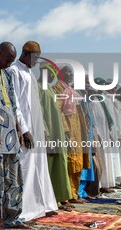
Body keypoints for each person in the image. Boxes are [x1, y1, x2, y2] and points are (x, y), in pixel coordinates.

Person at [0, 42, 30, 229]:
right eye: (8, 60)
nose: (10, 64)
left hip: (11, 137)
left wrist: (18, 129)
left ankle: (12, 218)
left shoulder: (7, 75)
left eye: (12, 61)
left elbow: (14, 104)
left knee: (14, 179)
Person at [7, 41, 57, 221]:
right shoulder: (14, 71)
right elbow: (16, 104)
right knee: (26, 167)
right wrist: (25, 129)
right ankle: (26, 210)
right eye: (35, 57)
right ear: (25, 53)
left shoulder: (28, 72)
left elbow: (36, 107)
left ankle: (44, 204)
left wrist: (41, 129)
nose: (36, 62)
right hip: (25, 129)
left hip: (36, 128)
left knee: (40, 165)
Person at [37, 62, 72, 210]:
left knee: (60, 165)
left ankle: (58, 198)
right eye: (50, 73)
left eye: (53, 74)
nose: (52, 76)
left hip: (58, 134)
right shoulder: (37, 88)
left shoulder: (51, 90)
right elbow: (39, 114)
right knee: (48, 167)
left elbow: (59, 114)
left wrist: (65, 133)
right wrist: (46, 136)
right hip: (48, 135)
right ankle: (48, 202)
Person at [53, 66, 90, 203]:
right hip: (68, 131)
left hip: (77, 131)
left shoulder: (72, 91)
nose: (70, 75)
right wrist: (66, 131)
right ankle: (66, 196)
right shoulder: (58, 89)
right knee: (69, 163)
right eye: (67, 72)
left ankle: (74, 194)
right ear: (59, 74)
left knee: (77, 162)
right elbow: (59, 111)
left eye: (72, 73)